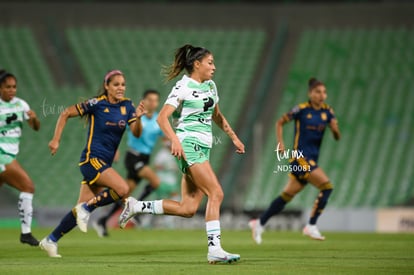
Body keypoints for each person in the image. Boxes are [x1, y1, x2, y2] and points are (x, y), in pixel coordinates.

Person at [118, 44, 245, 264]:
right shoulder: (183, 86)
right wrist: (175, 140)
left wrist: (233, 137)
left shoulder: (211, 86)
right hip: (189, 145)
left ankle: (137, 206)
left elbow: (217, 115)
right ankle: (214, 249)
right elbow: (162, 118)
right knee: (216, 193)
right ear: (197, 64)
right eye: (210, 62)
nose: (214, 67)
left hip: (202, 148)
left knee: (188, 208)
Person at [39, 70, 145, 258]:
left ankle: (51, 240)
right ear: (107, 86)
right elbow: (65, 113)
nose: (120, 88)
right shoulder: (96, 104)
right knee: (122, 188)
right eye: (116, 84)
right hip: (91, 160)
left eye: (123, 84)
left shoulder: (128, 106)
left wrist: (139, 117)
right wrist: (56, 140)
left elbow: (136, 133)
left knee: (78, 209)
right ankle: (86, 209)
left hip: (104, 163)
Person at [249, 77, 341, 244]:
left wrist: (335, 130)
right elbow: (280, 122)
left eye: (324, 92)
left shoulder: (328, 112)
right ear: (310, 93)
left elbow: (337, 137)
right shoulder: (301, 109)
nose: (321, 95)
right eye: (318, 92)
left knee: (286, 196)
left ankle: (259, 222)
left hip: (311, 160)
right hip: (299, 159)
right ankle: (311, 226)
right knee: (326, 186)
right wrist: (280, 143)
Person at [93, 89, 163, 237]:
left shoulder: (158, 120)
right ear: (143, 101)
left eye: (156, 100)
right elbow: (117, 131)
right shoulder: (135, 117)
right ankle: (137, 210)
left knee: (124, 193)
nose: (153, 103)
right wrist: (114, 149)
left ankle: (102, 220)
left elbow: (165, 138)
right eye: (150, 99)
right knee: (155, 181)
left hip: (145, 158)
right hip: (133, 157)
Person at [0, 70, 41, 246]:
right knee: (28, 186)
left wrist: (34, 118)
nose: (12, 90)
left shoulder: (20, 104)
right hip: (2, 154)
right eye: (7, 87)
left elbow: (35, 127)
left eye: (14, 87)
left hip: (10, 153)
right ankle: (26, 233)